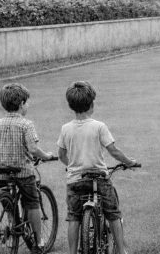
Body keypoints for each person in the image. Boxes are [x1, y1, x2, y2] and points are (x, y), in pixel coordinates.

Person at [57, 81, 139, 254]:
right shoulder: (99, 126)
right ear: (91, 105)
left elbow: (62, 155)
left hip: (75, 180)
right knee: (113, 214)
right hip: (99, 179)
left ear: (71, 106)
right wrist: (129, 162)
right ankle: (121, 250)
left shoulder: (66, 129)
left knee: (73, 217)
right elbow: (114, 151)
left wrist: (72, 166)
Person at [0, 83, 55, 254]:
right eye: (27, 102)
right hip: (23, 172)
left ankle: (12, 224)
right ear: (21, 104)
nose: (28, 105)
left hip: (1, 172)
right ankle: (38, 242)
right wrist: (46, 156)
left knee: (8, 201)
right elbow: (33, 149)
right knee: (32, 203)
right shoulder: (26, 124)